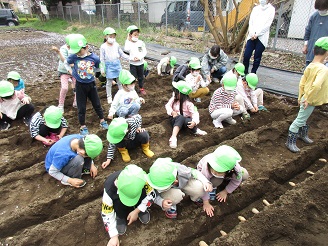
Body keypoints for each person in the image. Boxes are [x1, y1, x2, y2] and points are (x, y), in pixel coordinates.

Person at [286, 37, 328, 153]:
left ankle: (302, 134)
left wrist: (301, 97)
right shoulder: (323, 69)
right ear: (327, 53)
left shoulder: (310, 65)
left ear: (314, 50)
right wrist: (308, 99)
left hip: (305, 97)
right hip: (310, 99)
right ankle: (290, 141)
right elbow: (316, 85)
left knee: (304, 117)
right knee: (300, 120)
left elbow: (302, 83)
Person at [65, 34, 108, 135]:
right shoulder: (74, 57)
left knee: (97, 103)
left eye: (80, 51)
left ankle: (102, 120)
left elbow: (99, 65)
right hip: (80, 85)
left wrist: (100, 72)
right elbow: (66, 63)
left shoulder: (94, 58)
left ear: (86, 47)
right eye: (76, 52)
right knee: (81, 106)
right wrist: (70, 71)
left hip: (91, 84)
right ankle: (83, 126)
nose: (78, 54)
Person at [101, 164, 154, 245]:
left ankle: (141, 209)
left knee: (144, 193)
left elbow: (151, 195)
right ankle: (120, 216)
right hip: (118, 203)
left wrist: (138, 210)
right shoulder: (109, 190)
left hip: (139, 201)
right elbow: (106, 213)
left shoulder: (143, 179)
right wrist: (113, 236)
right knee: (118, 203)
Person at [145, 157, 212, 219]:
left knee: (199, 188)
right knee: (176, 196)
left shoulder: (181, 170)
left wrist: (205, 182)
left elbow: (194, 172)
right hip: (169, 192)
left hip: (183, 183)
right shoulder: (153, 179)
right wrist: (161, 202)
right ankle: (171, 206)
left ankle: (195, 197)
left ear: (175, 181)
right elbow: (152, 194)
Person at [196, 145, 249, 217]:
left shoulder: (235, 169)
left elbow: (236, 181)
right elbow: (204, 184)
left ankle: (223, 181)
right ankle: (214, 186)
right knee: (216, 181)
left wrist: (225, 192)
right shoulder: (207, 166)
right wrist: (206, 203)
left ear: (229, 170)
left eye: (219, 172)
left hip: (227, 175)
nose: (215, 173)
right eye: (214, 170)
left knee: (244, 174)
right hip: (203, 176)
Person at [165, 80, 207, 149]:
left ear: (181, 94)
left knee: (189, 121)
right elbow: (167, 106)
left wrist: (194, 122)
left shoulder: (189, 103)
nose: (174, 93)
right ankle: (173, 137)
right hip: (174, 119)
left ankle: (195, 130)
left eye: (176, 91)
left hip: (184, 121)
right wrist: (172, 112)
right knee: (180, 117)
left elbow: (195, 113)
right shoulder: (173, 99)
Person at [243, 0, 275, 74]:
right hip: (251, 36)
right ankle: (245, 73)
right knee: (246, 55)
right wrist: (251, 33)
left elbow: (267, 24)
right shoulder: (256, 9)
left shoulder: (271, 10)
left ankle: (253, 73)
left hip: (261, 37)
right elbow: (251, 22)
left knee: (257, 57)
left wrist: (257, 34)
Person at [100, 27, 129, 104]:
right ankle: (109, 97)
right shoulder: (103, 46)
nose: (112, 38)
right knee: (109, 82)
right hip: (109, 65)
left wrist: (130, 58)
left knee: (120, 81)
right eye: (110, 36)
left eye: (113, 36)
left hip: (117, 64)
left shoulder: (116, 45)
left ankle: (121, 95)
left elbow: (121, 54)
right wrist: (102, 69)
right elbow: (102, 59)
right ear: (105, 37)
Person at [51, 34, 77, 112]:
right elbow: (64, 60)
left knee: (78, 87)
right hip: (64, 71)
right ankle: (61, 104)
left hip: (74, 71)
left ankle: (76, 102)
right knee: (65, 88)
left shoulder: (75, 48)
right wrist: (58, 52)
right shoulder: (64, 48)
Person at [303, 0, 328, 66]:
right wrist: (305, 45)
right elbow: (308, 31)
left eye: (322, 9)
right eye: (319, 9)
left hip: (324, 53)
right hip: (312, 51)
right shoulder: (314, 16)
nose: (320, 10)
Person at [124, 25, 147, 95]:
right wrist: (128, 39)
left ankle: (141, 88)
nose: (136, 36)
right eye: (135, 35)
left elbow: (144, 51)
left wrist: (139, 57)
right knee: (133, 77)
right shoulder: (129, 43)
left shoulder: (140, 42)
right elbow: (126, 49)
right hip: (133, 63)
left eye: (137, 35)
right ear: (130, 35)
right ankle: (132, 89)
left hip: (140, 63)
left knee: (141, 77)